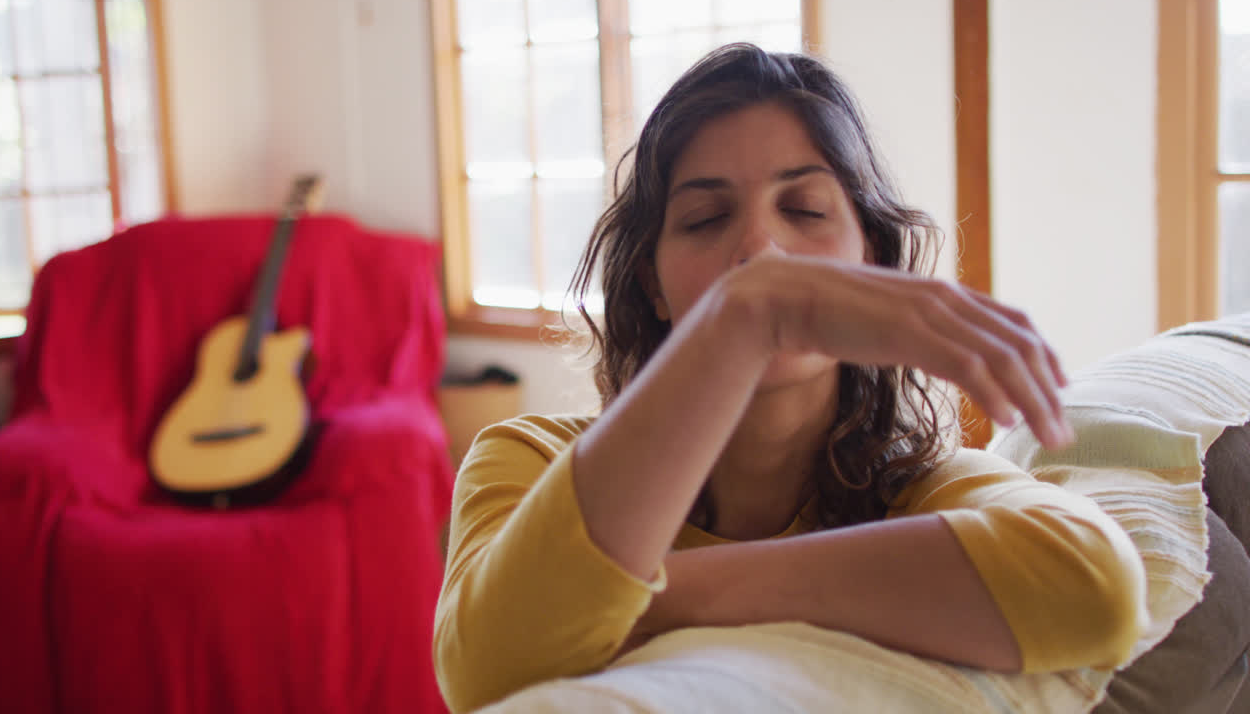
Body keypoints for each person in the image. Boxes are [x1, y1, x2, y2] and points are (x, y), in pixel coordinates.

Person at [432, 43, 1147, 714]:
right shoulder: (527, 460)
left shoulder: (923, 497)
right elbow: (482, 673)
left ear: (870, 257)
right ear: (651, 284)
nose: (760, 251)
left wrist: (640, 598)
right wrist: (748, 316)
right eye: (706, 218)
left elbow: (1098, 592)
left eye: (803, 210)